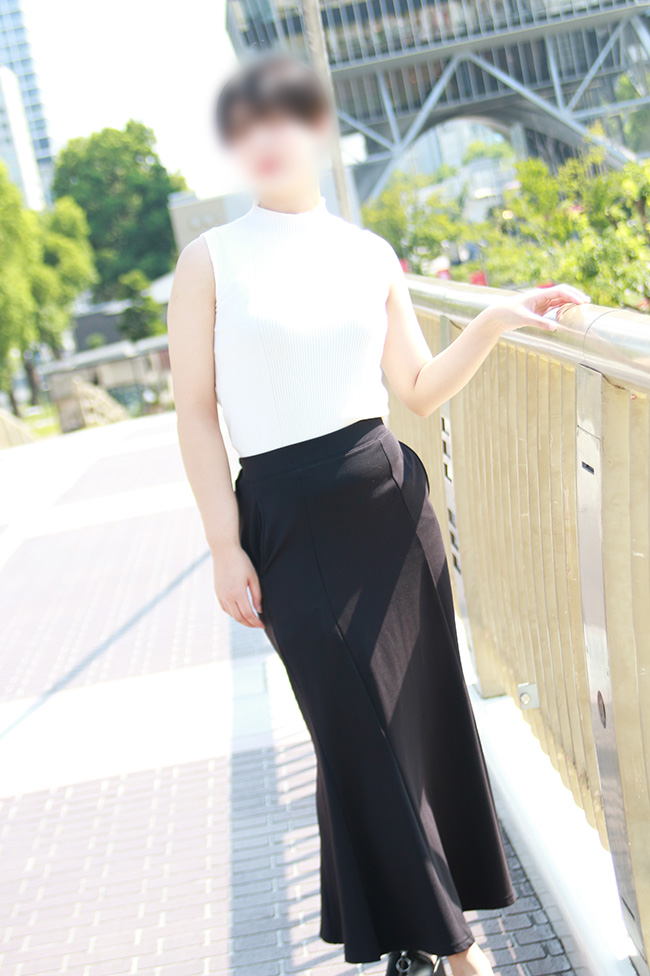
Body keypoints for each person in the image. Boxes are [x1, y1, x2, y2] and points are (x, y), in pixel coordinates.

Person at [167, 55, 590, 976]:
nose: (267, 137)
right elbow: (195, 410)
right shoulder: (210, 261)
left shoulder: (367, 253)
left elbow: (418, 386)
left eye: (285, 118)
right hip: (284, 520)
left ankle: (422, 937)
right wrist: (223, 544)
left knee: (411, 722)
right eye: (248, 124)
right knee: (352, 727)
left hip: (388, 508)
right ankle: (454, 948)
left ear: (317, 130)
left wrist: (497, 318)